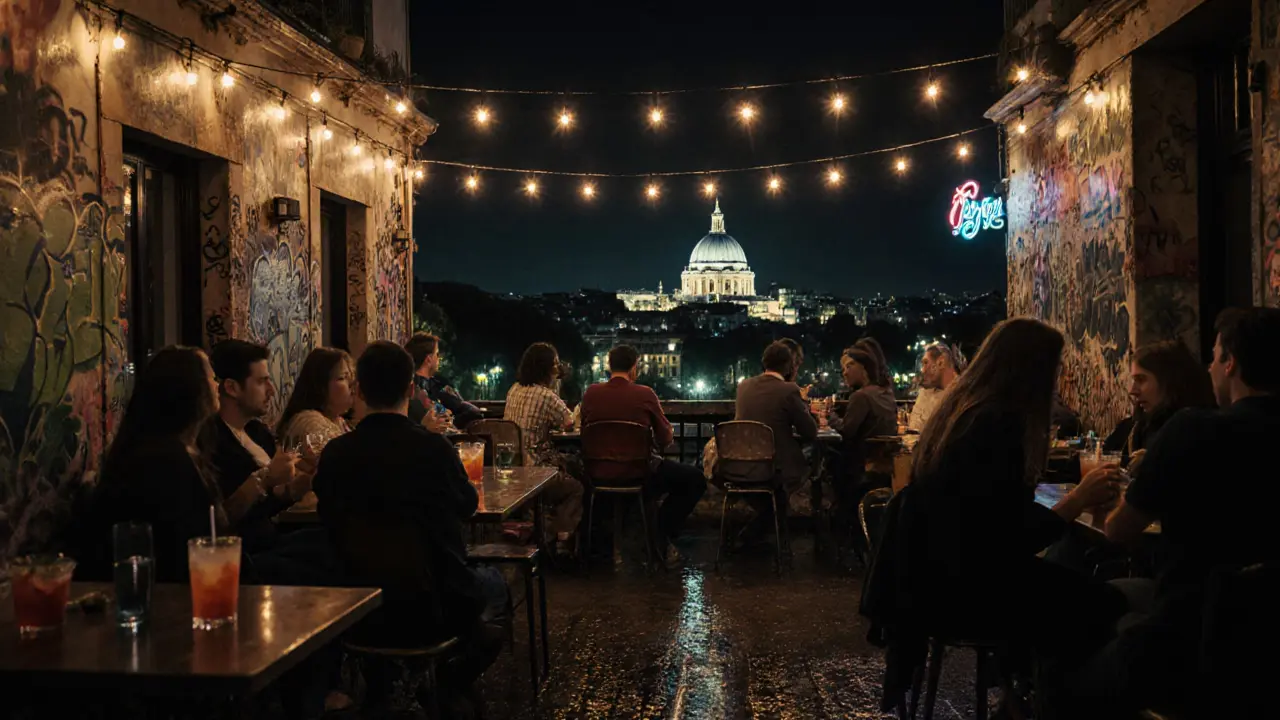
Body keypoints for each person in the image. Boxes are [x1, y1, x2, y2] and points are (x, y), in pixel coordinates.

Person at [861, 319, 1127, 713]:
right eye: (1054, 368)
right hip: (969, 592)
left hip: (930, 582)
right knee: (1107, 605)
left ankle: (1020, 690)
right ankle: (1045, 703)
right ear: (1032, 370)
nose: (1058, 378)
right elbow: (1009, 536)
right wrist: (1079, 500)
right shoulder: (998, 424)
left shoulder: (962, 413)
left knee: (1068, 577)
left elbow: (988, 518)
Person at [1061, 308, 1280, 718]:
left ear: (1231, 362)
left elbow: (1117, 531)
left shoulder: (1192, 430)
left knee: (1071, 652)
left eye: (1214, 357)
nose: (1210, 368)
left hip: (1186, 634)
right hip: (1269, 645)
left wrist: (1097, 500)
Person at [312, 341, 507, 705]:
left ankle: (388, 683)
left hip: (356, 609)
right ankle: (448, 681)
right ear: (408, 390)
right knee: (496, 584)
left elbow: (328, 518)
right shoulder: (434, 450)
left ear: (359, 390)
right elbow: (466, 506)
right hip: (430, 607)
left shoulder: (336, 454)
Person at [87, 346, 228, 582]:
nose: (217, 385)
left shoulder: (180, 450)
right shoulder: (164, 462)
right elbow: (183, 549)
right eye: (212, 378)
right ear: (189, 390)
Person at [579, 345, 707, 563]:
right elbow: (666, 438)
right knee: (695, 479)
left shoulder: (591, 394)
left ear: (609, 366)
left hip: (598, 473)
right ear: (634, 367)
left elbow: (584, 430)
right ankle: (661, 533)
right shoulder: (644, 394)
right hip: (638, 474)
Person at [202, 340, 307, 555]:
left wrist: (304, 482)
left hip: (271, 541)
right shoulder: (210, 440)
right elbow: (222, 520)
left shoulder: (258, 432)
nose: (271, 390)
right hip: (244, 556)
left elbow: (267, 507)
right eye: (261, 382)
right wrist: (267, 477)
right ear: (232, 387)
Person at [733, 341, 820, 543]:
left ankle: (754, 536)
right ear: (790, 366)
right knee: (813, 460)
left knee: (774, 501)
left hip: (739, 464)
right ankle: (758, 536)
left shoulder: (743, 386)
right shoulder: (788, 390)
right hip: (773, 469)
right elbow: (810, 432)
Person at [503, 342, 585, 552]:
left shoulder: (514, 389)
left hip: (510, 469)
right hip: (536, 472)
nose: (559, 368)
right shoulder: (547, 396)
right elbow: (569, 422)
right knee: (576, 488)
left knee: (570, 465)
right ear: (548, 368)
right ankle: (560, 538)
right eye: (556, 364)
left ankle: (543, 528)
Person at [826, 347, 897, 542]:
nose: (845, 372)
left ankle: (838, 528)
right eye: (843, 368)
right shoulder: (886, 393)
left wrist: (828, 415)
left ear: (864, 368)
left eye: (850, 366)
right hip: (886, 462)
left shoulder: (861, 396)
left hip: (861, 465)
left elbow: (847, 431)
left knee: (825, 460)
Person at [1102, 340, 1215, 462]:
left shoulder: (1195, 435)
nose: (1132, 390)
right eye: (1133, 380)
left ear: (1169, 382)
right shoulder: (1130, 429)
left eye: (1141, 379)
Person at [276, 347, 355, 452]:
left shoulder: (339, 421)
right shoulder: (310, 423)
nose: (351, 384)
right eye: (342, 378)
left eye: (351, 377)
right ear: (320, 385)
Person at [404, 332, 484, 430]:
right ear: (428, 359)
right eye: (437, 354)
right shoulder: (431, 388)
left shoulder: (407, 386)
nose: (439, 359)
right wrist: (451, 421)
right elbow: (472, 412)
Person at [907, 342, 963, 432]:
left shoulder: (962, 393)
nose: (923, 370)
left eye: (926, 363)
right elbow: (913, 429)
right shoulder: (925, 392)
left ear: (941, 362)